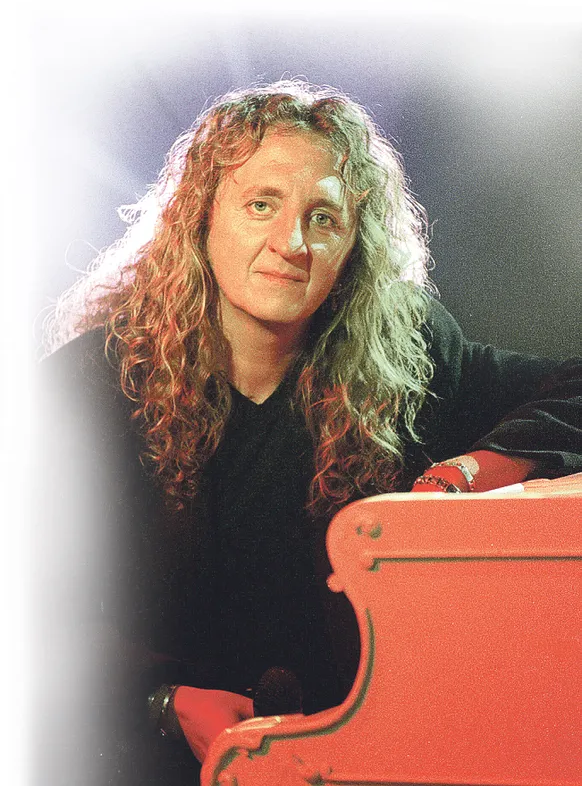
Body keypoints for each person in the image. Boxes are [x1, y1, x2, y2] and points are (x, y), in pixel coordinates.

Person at [35, 80, 581, 786]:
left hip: (354, 760)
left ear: (354, 244)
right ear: (201, 217)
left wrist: (464, 476)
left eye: (323, 217)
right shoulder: (86, 387)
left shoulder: (408, 355)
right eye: (261, 204)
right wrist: (162, 703)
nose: (290, 243)